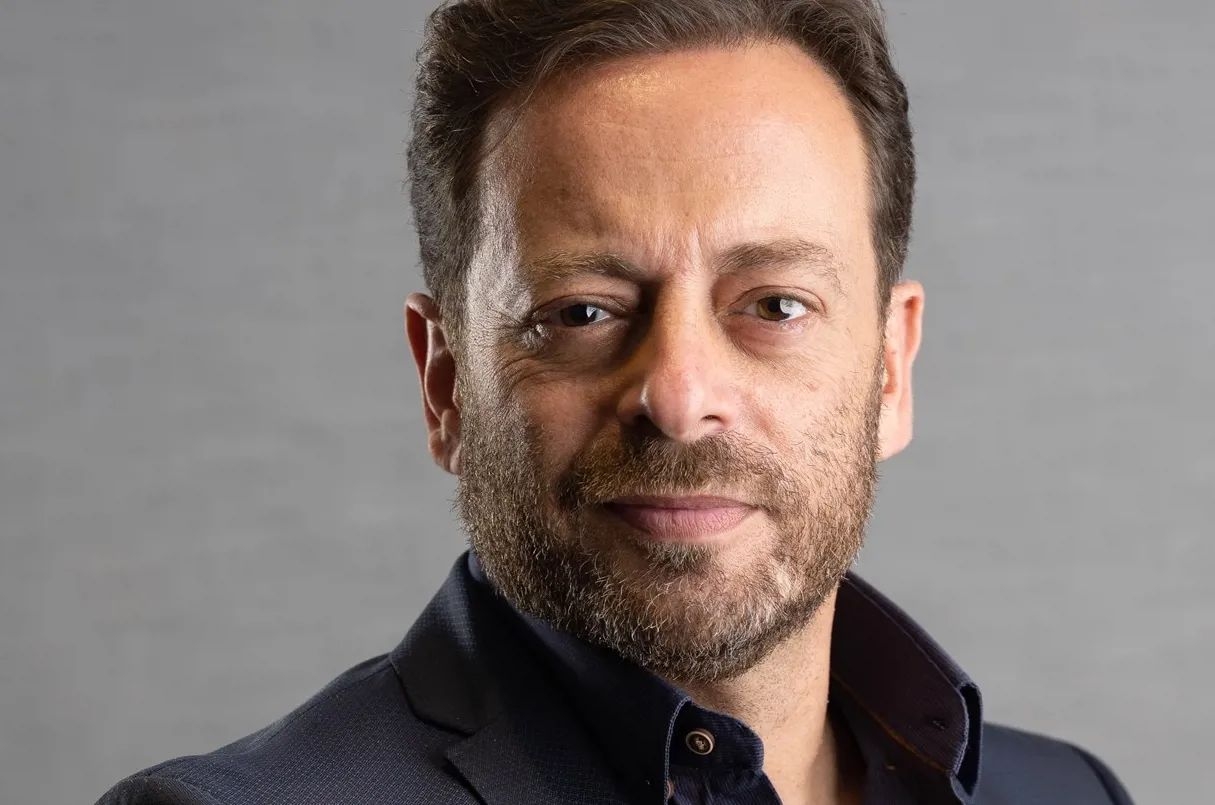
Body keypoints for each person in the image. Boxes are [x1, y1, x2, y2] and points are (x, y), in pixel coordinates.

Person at [99, 1, 1134, 803]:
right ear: (445, 382)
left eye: (774, 304)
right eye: (583, 312)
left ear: (892, 369)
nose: (679, 398)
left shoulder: (1069, 794)